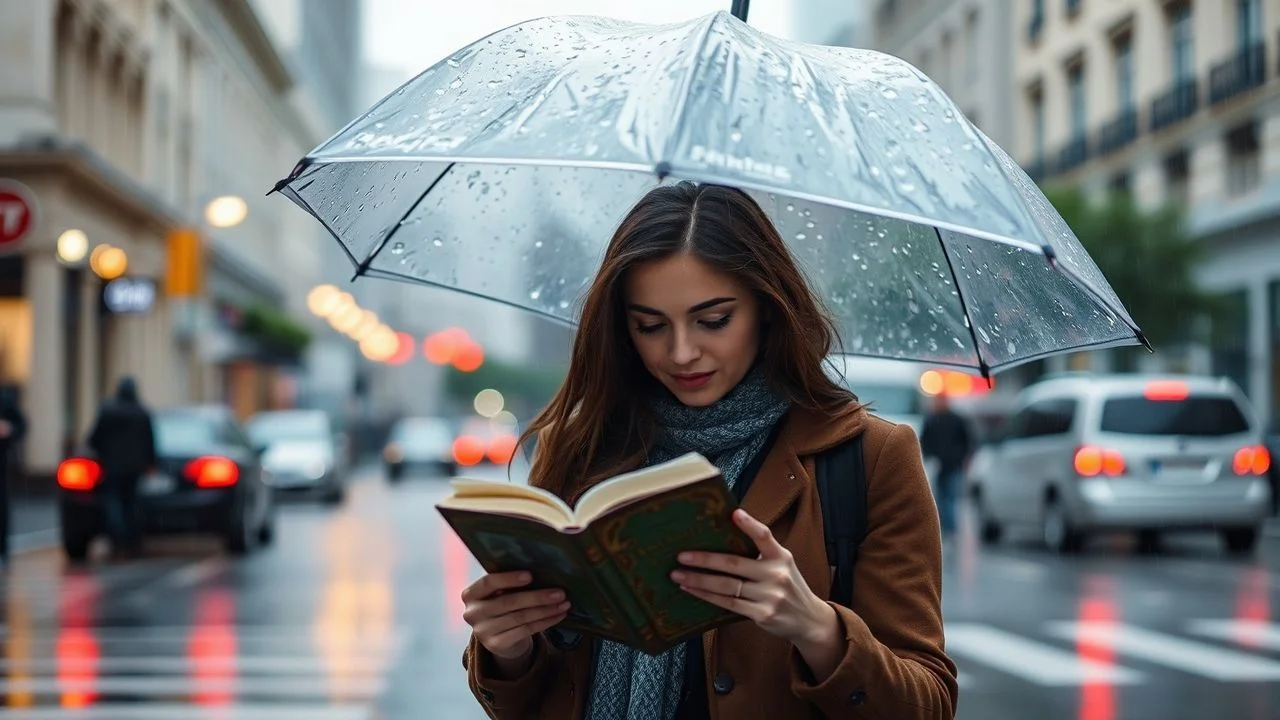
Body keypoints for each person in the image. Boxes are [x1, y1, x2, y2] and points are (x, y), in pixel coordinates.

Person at [459, 182, 957, 719]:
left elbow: (926, 705)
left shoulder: (873, 457)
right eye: (650, 326)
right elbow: (538, 699)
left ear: (767, 308)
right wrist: (508, 651)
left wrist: (817, 627)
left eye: (713, 320)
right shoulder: (579, 450)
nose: (681, 352)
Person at [87, 377, 156, 559]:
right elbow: (150, 442)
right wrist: (150, 463)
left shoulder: (108, 411)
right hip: (135, 468)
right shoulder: (142, 413)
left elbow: (94, 439)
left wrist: (102, 454)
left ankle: (117, 540)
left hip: (112, 467)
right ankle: (133, 541)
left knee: (113, 503)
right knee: (132, 503)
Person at [919, 393, 973, 540]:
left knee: (949, 497)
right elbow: (924, 442)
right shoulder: (931, 420)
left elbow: (967, 441)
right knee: (940, 498)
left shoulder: (956, 419)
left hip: (953, 465)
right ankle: (946, 528)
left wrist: (964, 458)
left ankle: (949, 530)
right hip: (938, 466)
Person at [0, 385, 27, 564]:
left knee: (1, 507)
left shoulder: (4, 399)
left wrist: (9, 429)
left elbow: (21, 424)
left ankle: (3, 550)